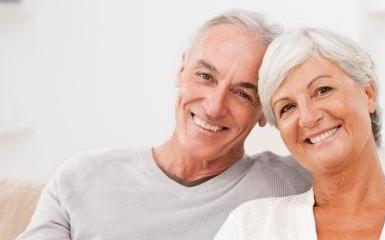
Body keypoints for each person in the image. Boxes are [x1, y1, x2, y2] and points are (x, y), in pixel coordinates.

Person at [17, 10, 312, 240]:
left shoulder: (293, 185)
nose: (213, 107)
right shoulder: (81, 177)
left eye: (242, 93)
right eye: (205, 76)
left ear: (265, 109)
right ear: (181, 70)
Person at [214, 28, 385, 240]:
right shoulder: (250, 227)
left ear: (369, 94)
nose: (307, 118)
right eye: (287, 107)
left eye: (322, 90)